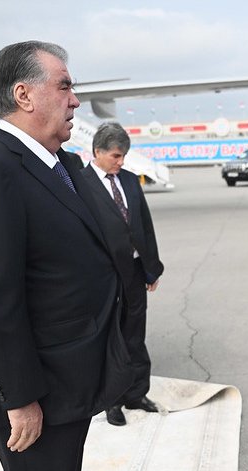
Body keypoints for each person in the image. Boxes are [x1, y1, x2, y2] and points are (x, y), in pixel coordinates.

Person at [0, 41, 132, 471]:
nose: (75, 99)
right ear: (24, 96)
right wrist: (19, 399)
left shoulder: (56, 162)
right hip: (34, 393)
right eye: (64, 86)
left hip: (67, 381)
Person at [81, 122, 164, 427]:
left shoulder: (129, 180)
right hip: (103, 277)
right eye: (116, 156)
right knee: (111, 338)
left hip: (133, 273)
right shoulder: (81, 183)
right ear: (97, 151)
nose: (121, 162)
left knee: (135, 333)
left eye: (124, 156)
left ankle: (137, 393)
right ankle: (112, 400)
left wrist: (152, 267)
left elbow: (144, 225)